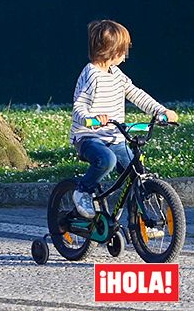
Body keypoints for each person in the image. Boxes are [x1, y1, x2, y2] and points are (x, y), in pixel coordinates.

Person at [70, 20, 177, 219]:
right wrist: (90, 119)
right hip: (89, 137)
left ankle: (139, 218)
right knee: (107, 160)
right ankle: (83, 191)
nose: (125, 56)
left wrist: (161, 111)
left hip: (115, 137)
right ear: (111, 51)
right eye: (123, 50)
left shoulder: (116, 74)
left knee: (136, 169)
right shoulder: (91, 75)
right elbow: (78, 106)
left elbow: (136, 94)